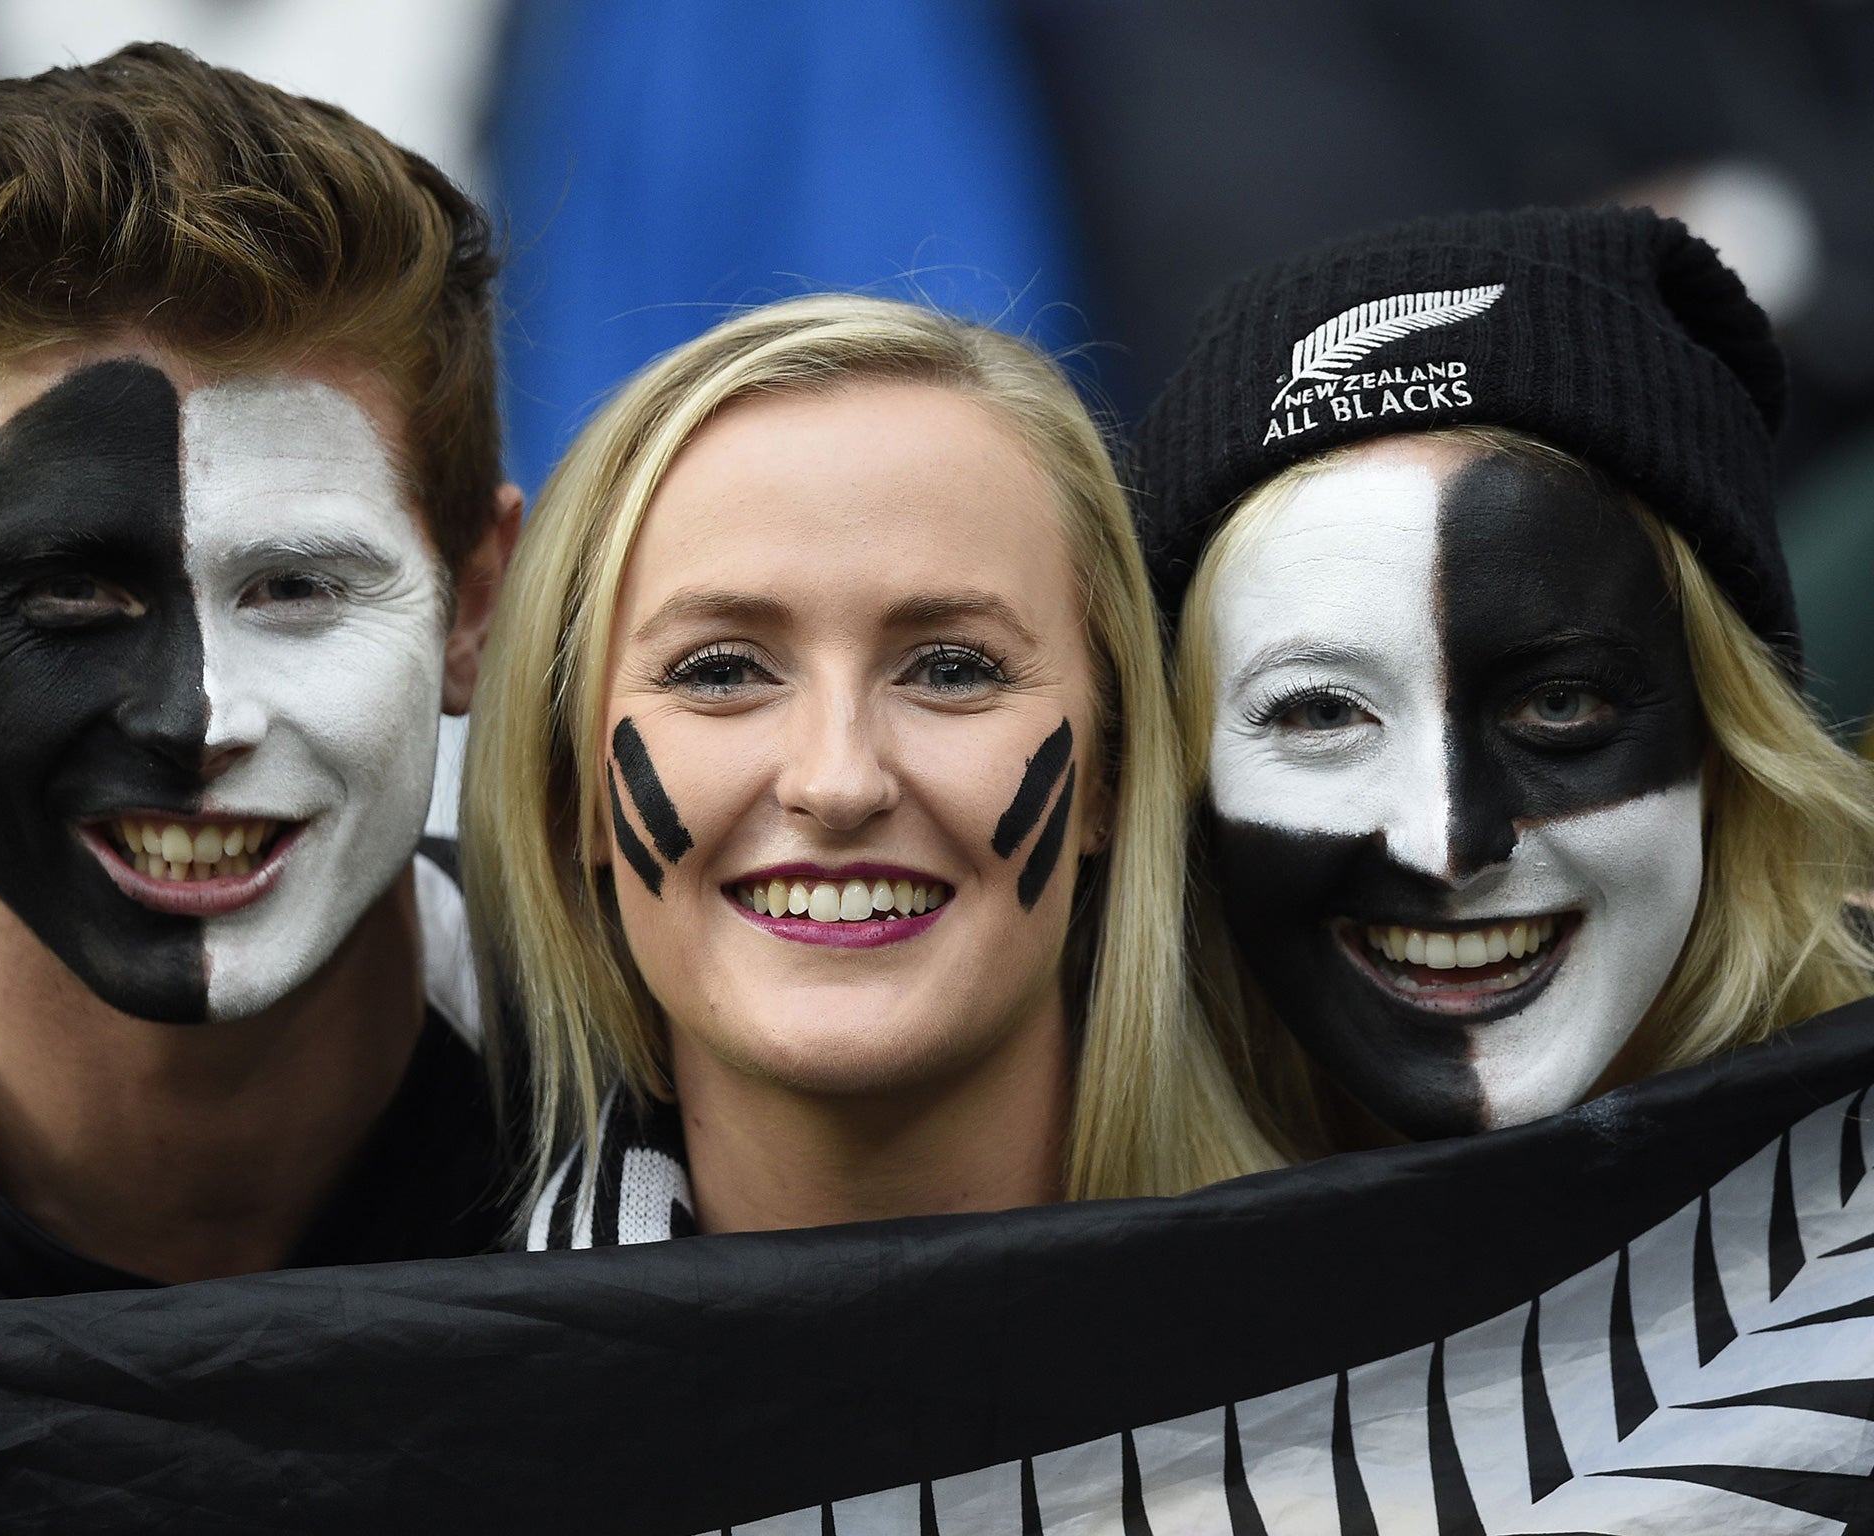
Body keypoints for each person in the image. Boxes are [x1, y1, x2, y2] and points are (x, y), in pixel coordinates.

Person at [0, 44, 519, 1312]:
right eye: (71, 596)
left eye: (297, 588)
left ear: (472, 602)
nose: (197, 718)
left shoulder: (696, 1104)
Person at [461, 293, 1274, 1246]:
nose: (839, 782)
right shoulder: (439, 1388)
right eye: (721, 672)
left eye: (952, 670)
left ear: (1111, 769)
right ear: (576, 795)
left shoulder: (1388, 1338)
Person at [1129, 205, 1874, 1159]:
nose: (1447, 845)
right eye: (1322, 712)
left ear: (1732, 745)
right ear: (1180, 790)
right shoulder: (1056, 1231)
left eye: (1558, 705)